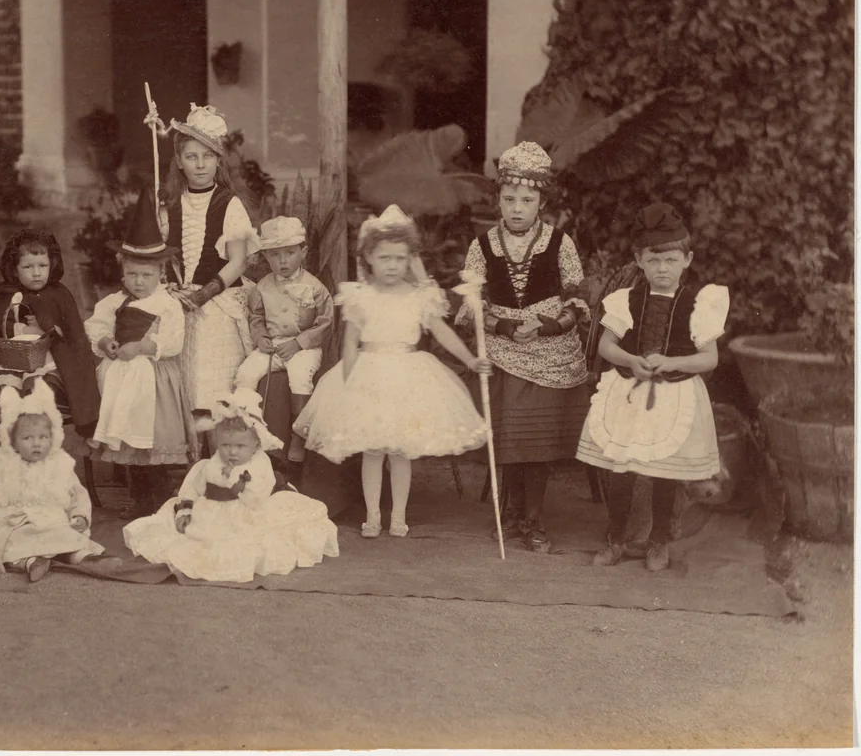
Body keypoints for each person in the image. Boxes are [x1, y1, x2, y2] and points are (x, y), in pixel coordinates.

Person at [293, 205, 492, 538]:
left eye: (400, 258)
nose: (392, 265)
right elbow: (350, 343)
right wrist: (347, 385)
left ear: (411, 259)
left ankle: (398, 515)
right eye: (384, 257)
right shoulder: (360, 297)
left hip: (408, 375)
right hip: (368, 374)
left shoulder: (420, 297)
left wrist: (470, 360)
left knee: (401, 452)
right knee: (372, 452)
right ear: (369, 258)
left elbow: (442, 332)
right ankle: (373, 515)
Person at [577, 203, 729, 572]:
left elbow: (709, 358)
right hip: (629, 394)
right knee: (621, 469)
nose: (662, 269)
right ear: (639, 260)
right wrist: (631, 361)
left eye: (671, 260)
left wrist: (673, 363)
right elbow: (606, 346)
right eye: (653, 260)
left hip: (674, 395)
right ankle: (616, 538)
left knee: (665, 471)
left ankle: (658, 540)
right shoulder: (625, 301)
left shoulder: (697, 305)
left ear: (687, 260)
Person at [455, 142, 591, 553]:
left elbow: (577, 301)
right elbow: (471, 305)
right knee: (511, 432)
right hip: (503, 349)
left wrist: (546, 326)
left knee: (536, 440)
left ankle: (533, 518)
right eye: (509, 198)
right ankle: (512, 513)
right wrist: (504, 327)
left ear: (542, 203)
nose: (517, 208)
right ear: (497, 199)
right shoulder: (482, 246)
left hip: (551, 352)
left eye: (527, 200)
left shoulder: (560, 243)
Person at [122, 390, 339, 583]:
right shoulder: (210, 464)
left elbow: (258, 496)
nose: (232, 452)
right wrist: (185, 511)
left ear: (256, 444)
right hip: (211, 512)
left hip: (246, 512)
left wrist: (235, 480)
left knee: (249, 542)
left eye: (240, 446)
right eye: (225, 445)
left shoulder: (259, 464)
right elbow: (192, 489)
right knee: (191, 538)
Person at [85, 190, 198, 520]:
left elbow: (174, 341)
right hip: (121, 379)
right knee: (129, 438)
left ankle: (159, 499)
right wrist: (106, 341)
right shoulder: (114, 301)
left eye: (146, 275)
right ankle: (138, 498)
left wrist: (143, 347)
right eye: (132, 274)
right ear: (123, 272)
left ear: (161, 273)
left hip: (153, 381)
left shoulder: (166, 304)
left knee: (151, 437)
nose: (138, 281)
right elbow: (96, 325)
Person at [160, 105, 261, 425]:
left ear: (219, 160)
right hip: (178, 301)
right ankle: (189, 446)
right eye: (191, 157)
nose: (200, 164)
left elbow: (238, 261)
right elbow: (160, 255)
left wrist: (205, 293)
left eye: (207, 156)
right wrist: (169, 285)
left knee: (213, 382)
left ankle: (220, 443)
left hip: (216, 301)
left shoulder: (228, 204)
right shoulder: (169, 204)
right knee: (180, 383)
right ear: (179, 161)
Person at [0, 229, 100, 439]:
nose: (36, 273)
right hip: (7, 363)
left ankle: (39, 443)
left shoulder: (59, 294)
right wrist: (12, 331)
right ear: (14, 270)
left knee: (44, 387)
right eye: (28, 267)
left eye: (43, 265)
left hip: (50, 363)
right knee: (17, 394)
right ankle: (21, 443)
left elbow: (72, 338)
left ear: (52, 264)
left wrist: (46, 330)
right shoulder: (2, 295)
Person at [0, 385, 104, 581]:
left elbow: (77, 494)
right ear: (12, 442)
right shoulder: (0, 464)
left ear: (52, 439)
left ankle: (79, 555)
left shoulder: (59, 465)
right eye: (27, 438)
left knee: (61, 531)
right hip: (7, 519)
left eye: (43, 437)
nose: (36, 443)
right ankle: (29, 561)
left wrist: (80, 515)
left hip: (46, 517)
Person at [233, 216, 333, 465]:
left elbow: (325, 323)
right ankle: (246, 430)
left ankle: (299, 434)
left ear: (303, 252)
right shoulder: (263, 287)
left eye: (290, 253)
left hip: (304, 347)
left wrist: (299, 343)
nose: (283, 261)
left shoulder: (315, 287)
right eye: (275, 255)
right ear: (266, 257)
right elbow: (256, 317)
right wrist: (261, 338)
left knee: (299, 376)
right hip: (274, 344)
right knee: (245, 374)